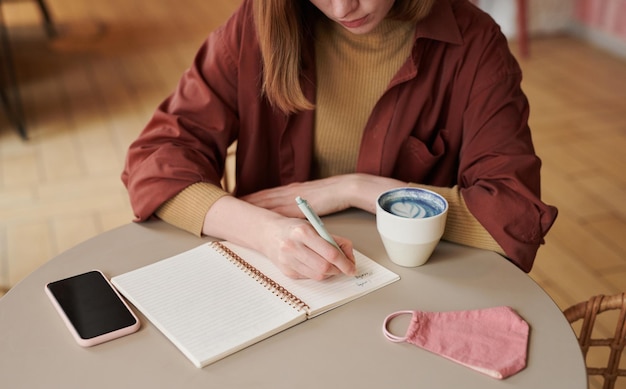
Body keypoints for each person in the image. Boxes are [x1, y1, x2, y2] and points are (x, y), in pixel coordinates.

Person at [122, 0, 558, 280]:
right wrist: (266, 232)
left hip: (410, 290)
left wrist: (354, 188)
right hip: (274, 277)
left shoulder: (474, 44)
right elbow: (155, 161)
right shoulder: (258, 24)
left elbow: (514, 217)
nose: (342, 6)